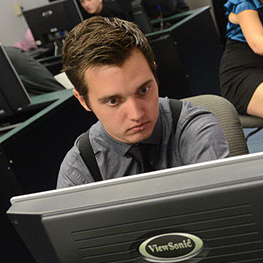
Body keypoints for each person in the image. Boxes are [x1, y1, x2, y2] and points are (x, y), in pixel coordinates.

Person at [56, 17, 229, 188]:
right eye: (113, 101)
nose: (136, 114)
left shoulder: (196, 131)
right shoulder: (79, 170)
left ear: (154, 74)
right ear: (83, 101)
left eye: (143, 90)